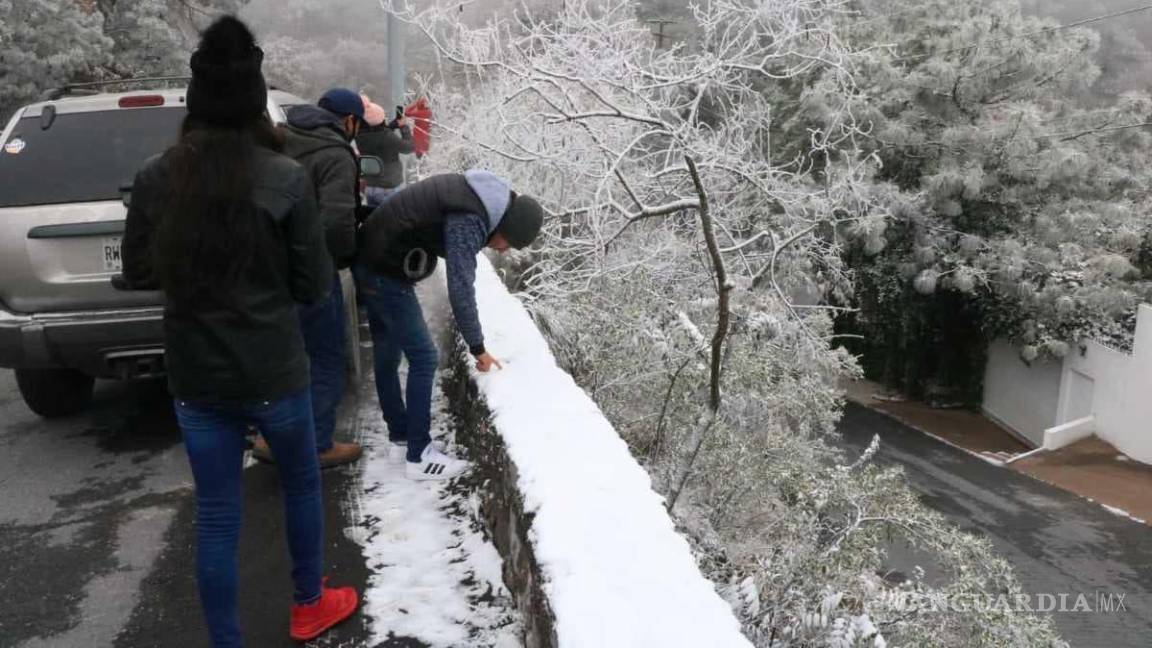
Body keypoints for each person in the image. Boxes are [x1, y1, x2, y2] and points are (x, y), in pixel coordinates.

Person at [120, 16, 358, 646]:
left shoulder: (155, 177)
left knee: (219, 514)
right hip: (275, 373)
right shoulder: (286, 178)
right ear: (257, 100)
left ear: (194, 102)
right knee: (303, 483)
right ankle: (309, 605)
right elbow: (313, 285)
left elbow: (140, 268)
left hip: (196, 377)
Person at [356, 170, 544, 480]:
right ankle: (418, 456)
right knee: (424, 358)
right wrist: (478, 347)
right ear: (504, 225)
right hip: (382, 269)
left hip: (373, 256)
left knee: (387, 355)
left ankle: (401, 437)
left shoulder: (482, 196)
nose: (502, 250)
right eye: (507, 242)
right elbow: (460, 287)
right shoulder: (470, 218)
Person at [256, 87, 368, 467]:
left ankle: (272, 439)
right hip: (312, 271)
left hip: (268, 266)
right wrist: (344, 257)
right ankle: (317, 443)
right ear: (349, 121)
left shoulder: (280, 139)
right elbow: (336, 222)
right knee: (325, 357)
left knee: (283, 355)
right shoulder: (336, 154)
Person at [356, 96, 414, 207]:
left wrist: (392, 125)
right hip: (388, 189)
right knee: (390, 221)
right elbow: (409, 147)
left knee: (374, 220)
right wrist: (403, 127)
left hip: (370, 187)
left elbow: (377, 134)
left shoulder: (359, 135)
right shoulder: (387, 137)